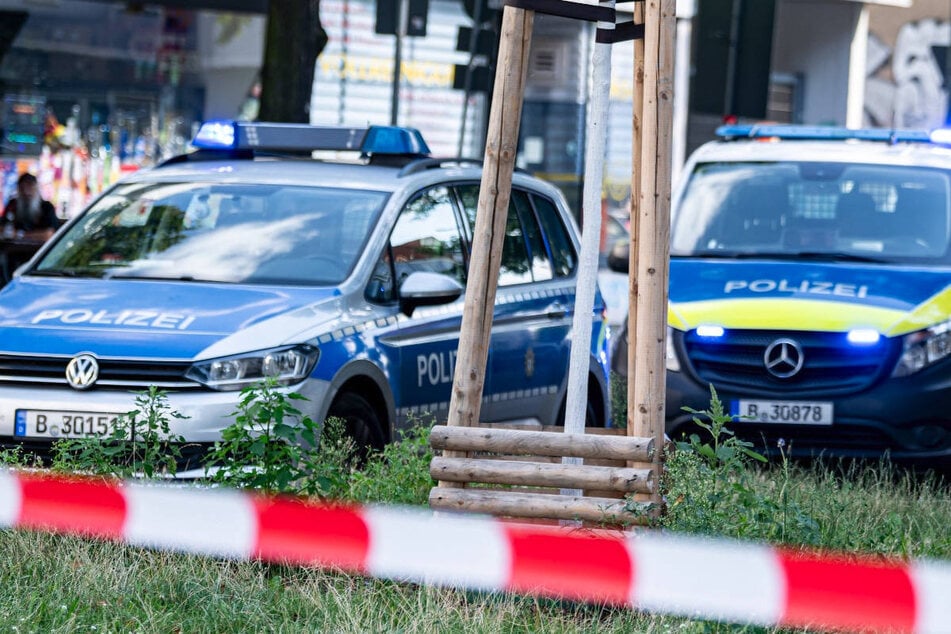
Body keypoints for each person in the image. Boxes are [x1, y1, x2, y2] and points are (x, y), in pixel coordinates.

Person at [2, 173, 61, 240]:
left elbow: (48, 234)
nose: (26, 192)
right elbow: (2, 226)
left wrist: (20, 235)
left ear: (36, 188)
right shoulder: (12, 204)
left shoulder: (47, 207)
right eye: (22, 188)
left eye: (30, 187)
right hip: (11, 248)